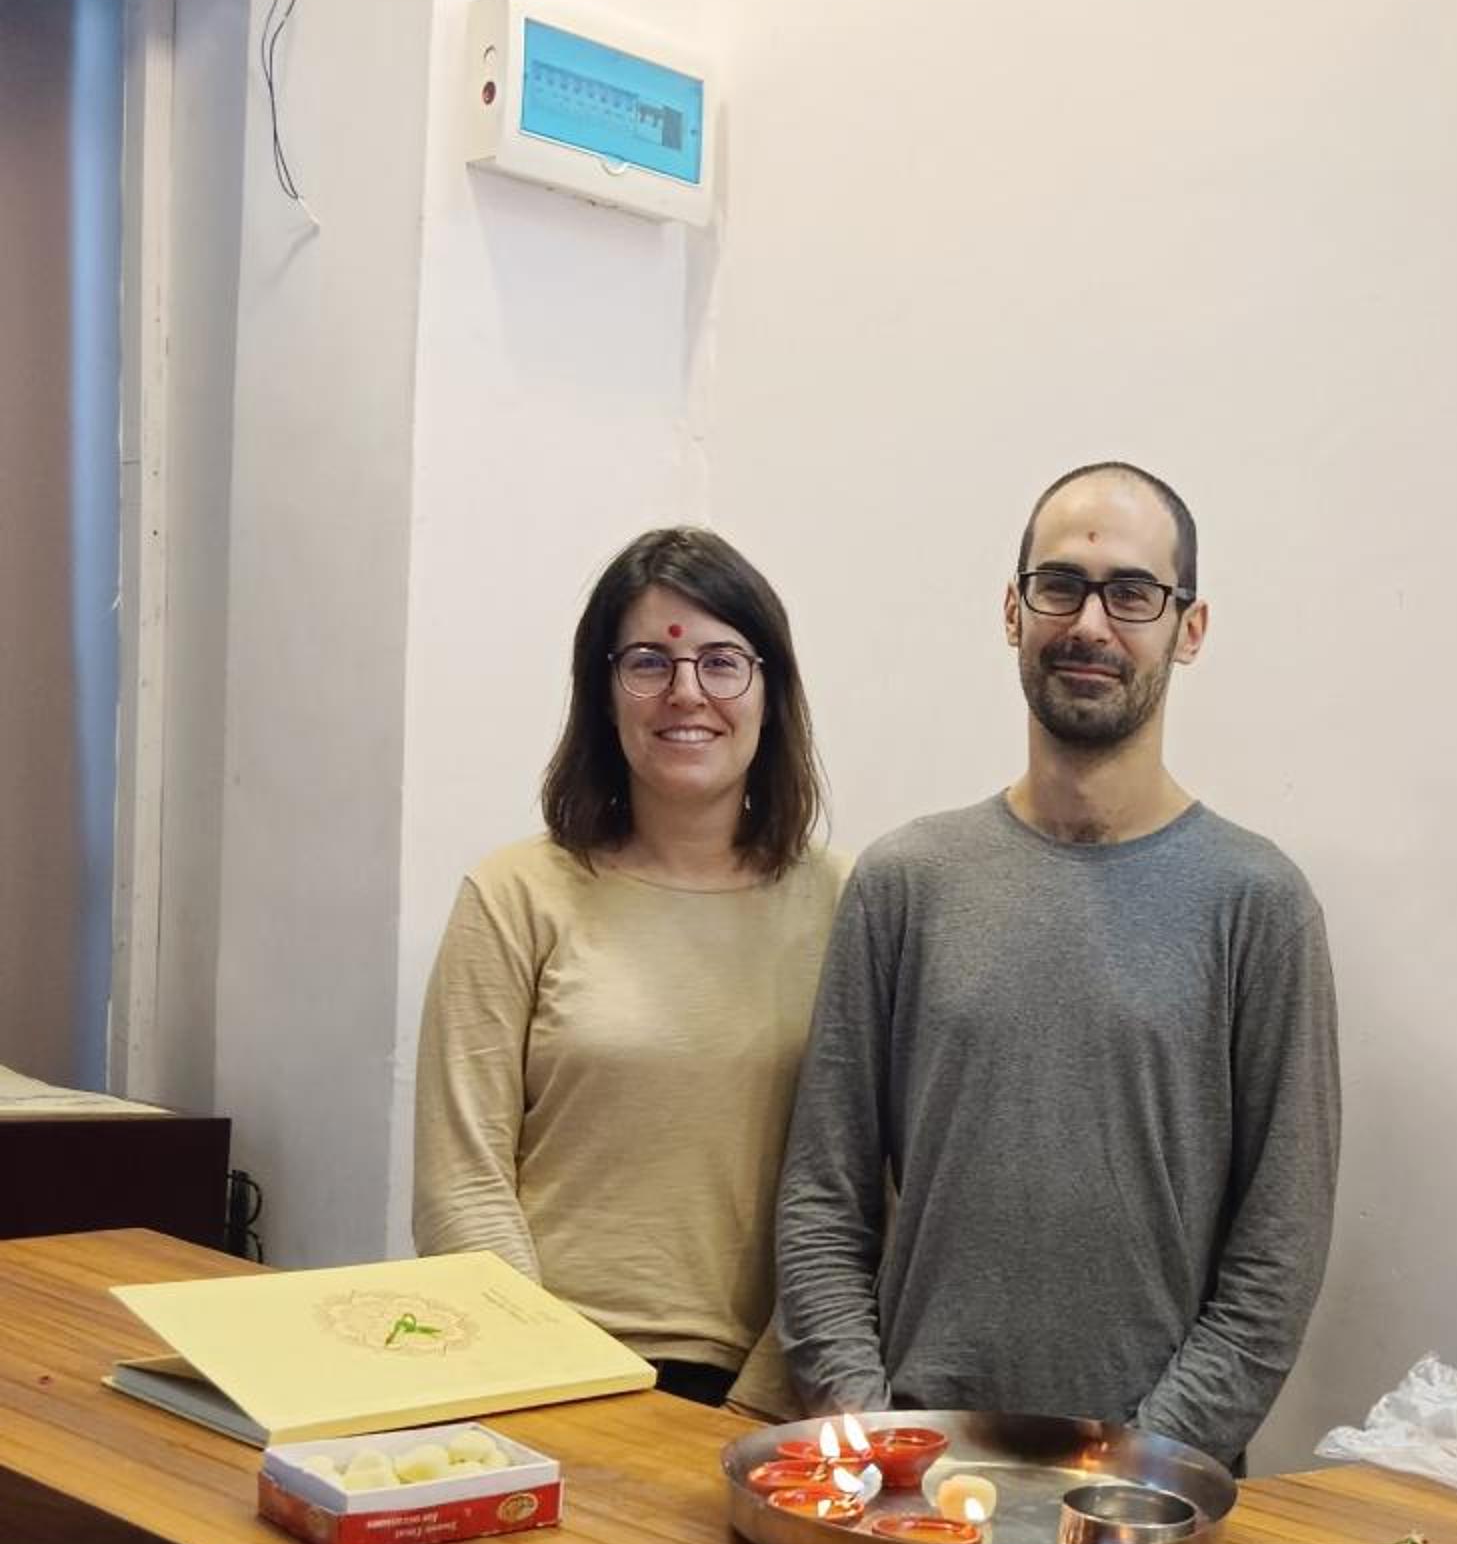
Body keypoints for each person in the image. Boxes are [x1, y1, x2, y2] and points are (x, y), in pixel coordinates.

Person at [776, 460, 1340, 1469]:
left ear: (1190, 628)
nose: (1089, 624)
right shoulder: (905, 883)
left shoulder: (1259, 906)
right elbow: (823, 1198)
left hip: (1150, 1494)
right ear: (1013, 610)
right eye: (1060, 586)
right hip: (912, 1475)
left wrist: (1144, 1462)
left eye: (1133, 594)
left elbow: (1278, 1254)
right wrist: (872, 1433)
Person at [413, 528, 844, 1411]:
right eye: (648, 663)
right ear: (603, 695)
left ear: (772, 694)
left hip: (765, 1394)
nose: (686, 693)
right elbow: (462, 1180)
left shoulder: (848, 907)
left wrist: (760, 1403)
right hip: (541, 1375)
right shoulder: (514, 895)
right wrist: (548, 1380)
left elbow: (866, 1193)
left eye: (722, 662)